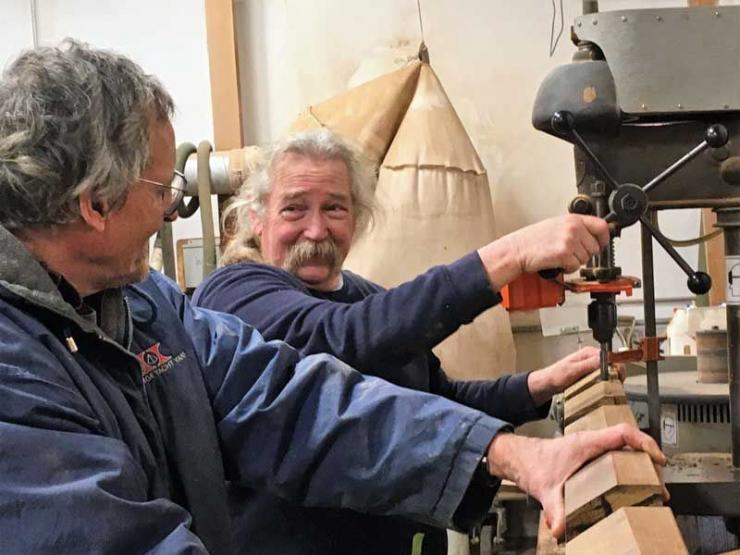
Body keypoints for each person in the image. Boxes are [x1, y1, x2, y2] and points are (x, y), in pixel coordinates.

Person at [0, 40, 664, 555]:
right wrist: (501, 259)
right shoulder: (17, 373)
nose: (172, 206)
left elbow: (294, 400)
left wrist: (508, 450)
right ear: (95, 204)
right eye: (160, 185)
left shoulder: (147, 306)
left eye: (337, 207)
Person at [193, 130, 623, 554]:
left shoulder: (366, 296)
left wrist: (540, 385)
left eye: (335, 208)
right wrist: (509, 255)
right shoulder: (235, 293)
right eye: (294, 209)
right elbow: (336, 337)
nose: (316, 228)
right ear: (257, 218)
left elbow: (439, 395)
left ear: (357, 219)